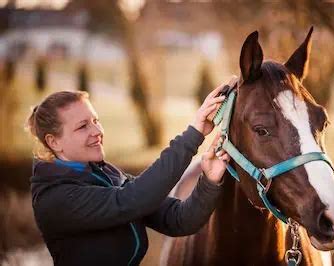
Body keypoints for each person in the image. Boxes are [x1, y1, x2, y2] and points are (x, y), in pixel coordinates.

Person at [26, 84, 230, 266]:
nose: (97, 130)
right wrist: (194, 133)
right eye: (82, 126)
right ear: (54, 142)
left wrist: (209, 181)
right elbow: (134, 200)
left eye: (95, 120)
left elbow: (180, 219)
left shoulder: (106, 173)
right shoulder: (56, 198)